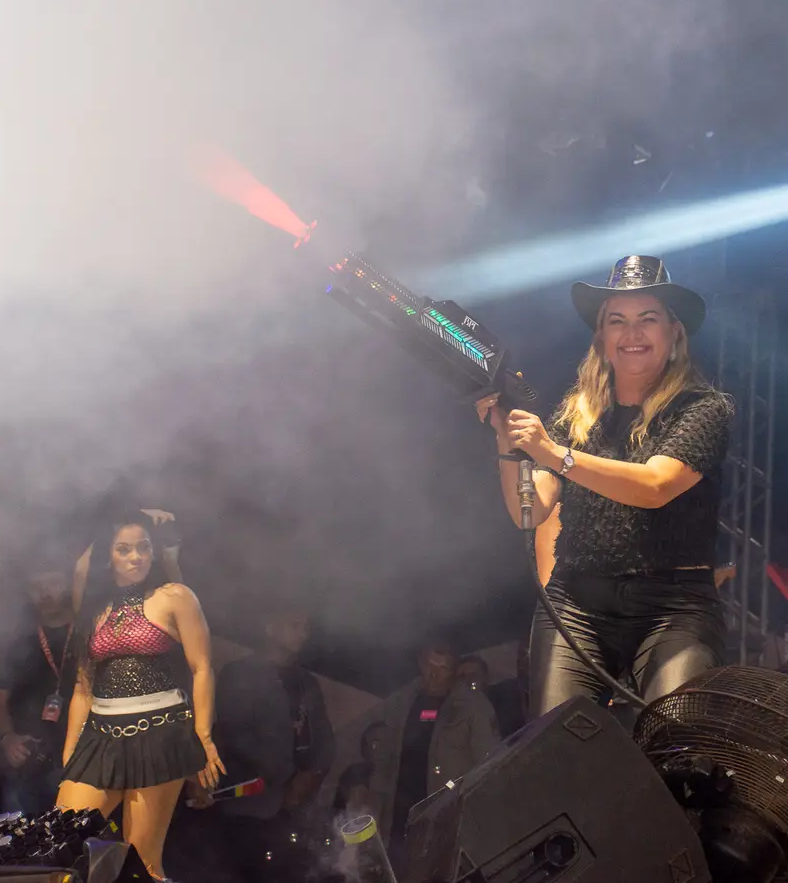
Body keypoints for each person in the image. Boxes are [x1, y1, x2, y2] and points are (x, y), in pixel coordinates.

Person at [476, 255, 734, 715]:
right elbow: (529, 512)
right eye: (617, 321)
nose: (632, 333)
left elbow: (655, 486)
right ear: (601, 337)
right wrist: (505, 439)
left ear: (674, 332)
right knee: (561, 742)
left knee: (672, 741)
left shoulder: (703, 409)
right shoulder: (576, 416)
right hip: (578, 603)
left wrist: (554, 453)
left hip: (673, 605)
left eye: (647, 319)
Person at [57, 517, 222, 880]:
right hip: (101, 736)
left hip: (160, 735)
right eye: (124, 549)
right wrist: (71, 752)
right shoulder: (95, 608)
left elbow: (202, 667)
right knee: (62, 843)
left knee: (141, 865)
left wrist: (203, 736)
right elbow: (83, 688)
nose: (136, 557)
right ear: (108, 556)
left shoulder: (174, 596)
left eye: (144, 547)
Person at [193, 606, 335, 883]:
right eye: (295, 624)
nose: (303, 633)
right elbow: (235, 734)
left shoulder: (308, 683)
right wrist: (286, 780)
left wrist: (312, 774)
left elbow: (324, 738)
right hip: (249, 806)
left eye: (306, 627)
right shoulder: (239, 674)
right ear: (270, 627)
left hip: (295, 811)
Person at [367, 636, 501, 860]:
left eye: (443, 668)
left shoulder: (474, 707)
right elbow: (384, 763)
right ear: (420, 663)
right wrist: (375, 809)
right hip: (399, 820)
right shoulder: (402, 701)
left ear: (454, 670)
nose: (434, 674)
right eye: (430, 665)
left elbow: (490, 767)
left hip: (447, 821)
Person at [0, 561, 78, 815]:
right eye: (37, 586)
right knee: (19, 835)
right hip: (30, 762)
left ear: (69, 584)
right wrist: (7, 739)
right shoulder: (18, 640)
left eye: (53, 583)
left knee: (86, 833)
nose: (45, 593)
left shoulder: (89, 630)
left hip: (83, 756)